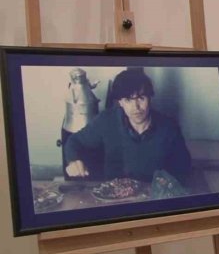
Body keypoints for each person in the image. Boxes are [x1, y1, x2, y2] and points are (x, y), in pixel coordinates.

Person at [64, 69, 192, 186]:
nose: (136, 107)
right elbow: (74, 141)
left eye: (141, 98)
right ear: (120, 102)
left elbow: (184, 167)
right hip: (114, 195)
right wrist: (74, 160)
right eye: (128, 100)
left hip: (152, 195)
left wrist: (168, 183)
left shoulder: (169, 128)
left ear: (150, 98)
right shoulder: (106, 120)